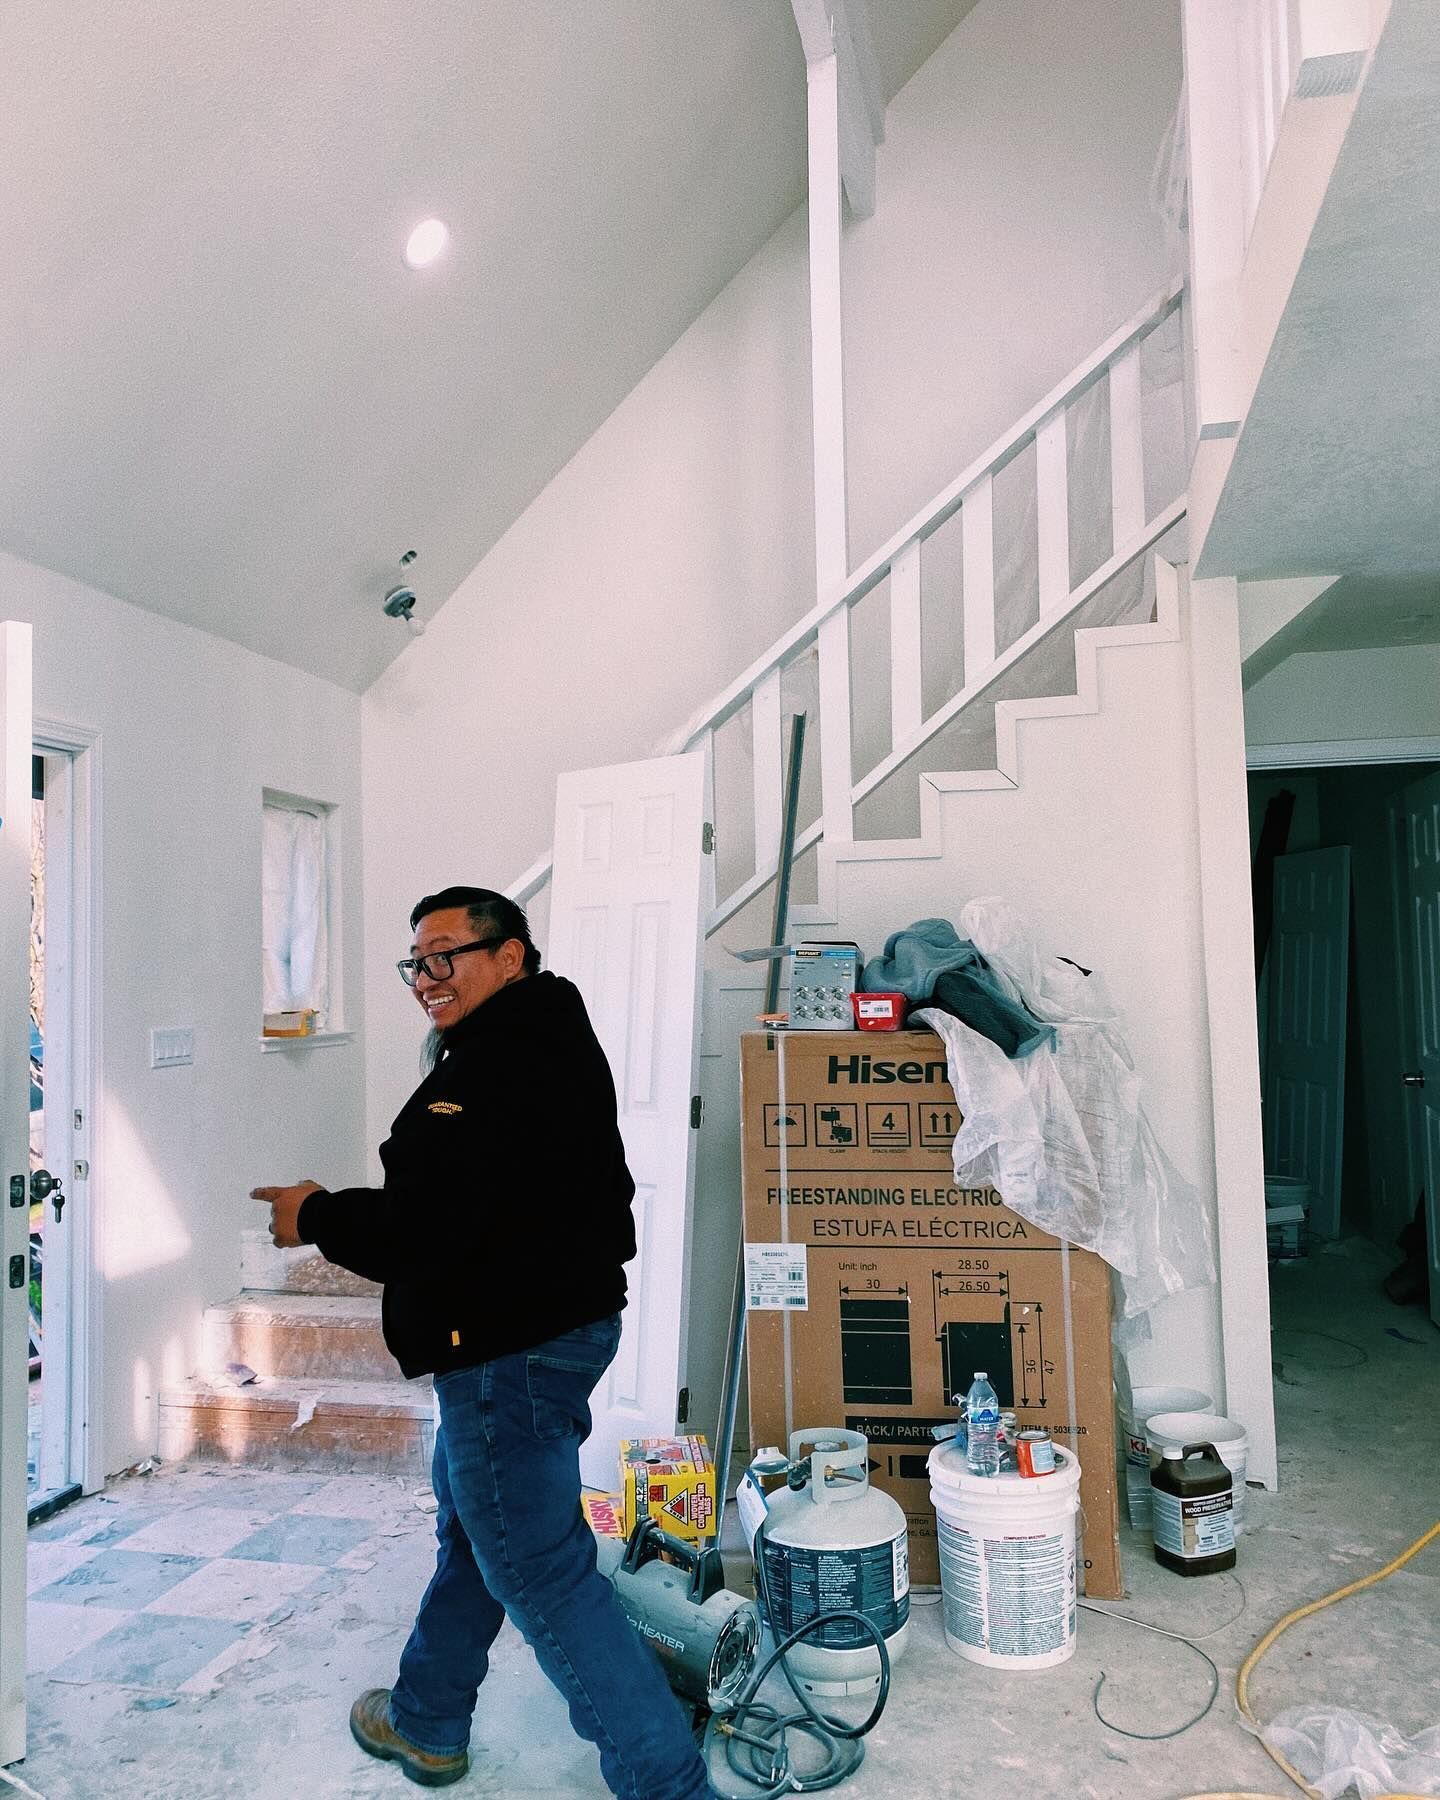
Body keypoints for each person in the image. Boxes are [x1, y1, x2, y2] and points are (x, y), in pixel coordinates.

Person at [252, 886, 712, 1798]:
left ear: (511, 955)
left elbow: (426, 1229)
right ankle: (426, 1719)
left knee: (540, 1571)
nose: (428, 977)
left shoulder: (497, 1065)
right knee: (478, 1527)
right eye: (416, 961)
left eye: (447, 954)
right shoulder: (539, 1037)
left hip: (512, 1351)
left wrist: (316, 1216)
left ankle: (668, 1785)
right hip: (548, 1331)